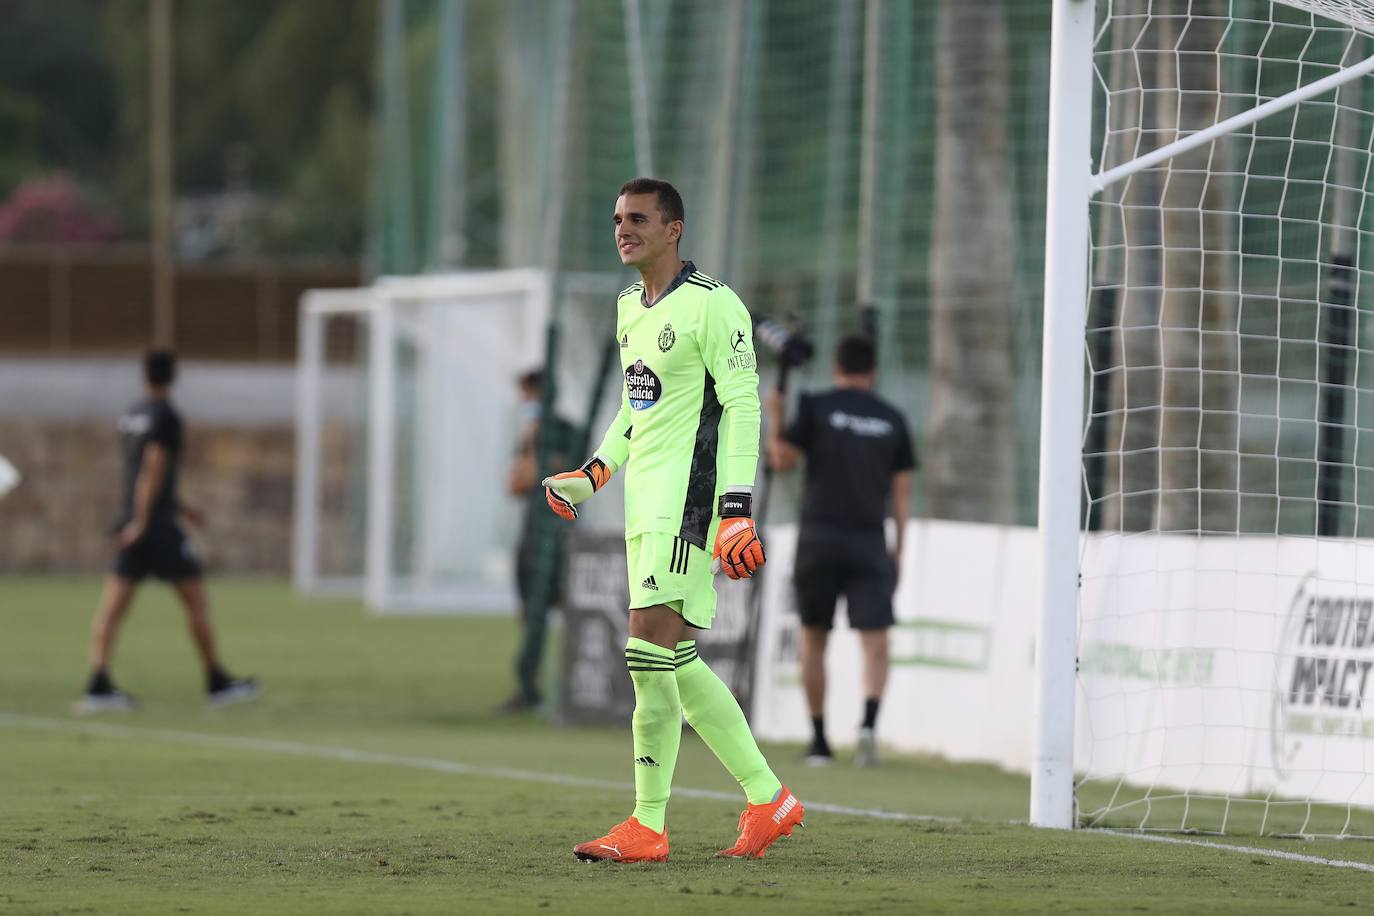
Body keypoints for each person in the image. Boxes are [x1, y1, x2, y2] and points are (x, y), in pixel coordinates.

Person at [543, 177, 804, 863]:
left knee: (647, 653)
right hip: (644, 504)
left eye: (637, 219)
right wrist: (594, 472)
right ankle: (767, 798)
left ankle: (649, 826)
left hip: (692, 504)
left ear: (673, 229)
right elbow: (638, 407)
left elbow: (744, 406)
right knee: (666, 658)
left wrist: (736, 511)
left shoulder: (716, 307)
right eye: (617, 219)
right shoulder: (630, 305)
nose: (623, 229)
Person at [764, 334, 916, 767]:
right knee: (876, 641)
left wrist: (775, 415)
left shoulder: (816, 406)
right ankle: (868, 726)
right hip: (869, 540)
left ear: (836, 367)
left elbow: (781, 460)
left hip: (818, 538)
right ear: (874, 370)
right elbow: (902, 494)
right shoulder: (893, 419)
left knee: (815, 638)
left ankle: (819, 741)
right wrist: (899, 549)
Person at [77, 350, 258, 711]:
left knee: (112, 609)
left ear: (145, 377)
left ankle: (98, 683)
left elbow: (136, 473)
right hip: (156, 528)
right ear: (173, 378)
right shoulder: (167, 417)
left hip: (135, 519)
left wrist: (173, 508)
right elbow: (152, 468)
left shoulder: (131, 415)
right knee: (196, 602)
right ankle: (216, 681)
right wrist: (147, 522)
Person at [500, 368, 577, 713]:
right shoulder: (530, 434)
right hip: (530, 529)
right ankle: (529, 687)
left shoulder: (565, 431)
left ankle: (574, 688)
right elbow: (514, 484)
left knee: (568, 606)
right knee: (527, 609)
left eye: (528, 395)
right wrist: (535, 467)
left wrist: (537, 469)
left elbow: (565, 475)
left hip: (560, 532)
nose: (524, 402)